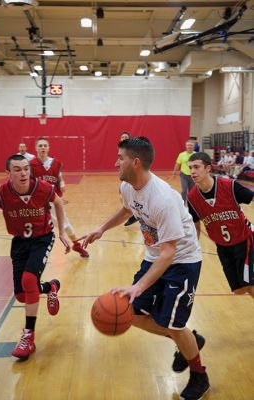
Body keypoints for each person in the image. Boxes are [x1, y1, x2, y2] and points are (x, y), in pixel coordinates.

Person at [80, 137, 210, 400]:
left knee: (172, 325)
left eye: (120, 158)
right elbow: (127, 209)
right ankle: (188, 340)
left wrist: (139, 286)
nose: (115, 162)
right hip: (154, 257)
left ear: (135, 162)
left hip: (182, 263)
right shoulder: (128, 186)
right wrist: (102, 228)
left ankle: (199, 374)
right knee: (132, 312)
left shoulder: (163, 199)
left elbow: (169, 252)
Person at [0, 154, 70, 360]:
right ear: (8, 174)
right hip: (20, 242)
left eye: (26, 168)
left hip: (42, 238)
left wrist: (61, 233)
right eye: (17, 169)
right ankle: (51, 287)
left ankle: (28, 336)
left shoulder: (41, 187)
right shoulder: (2, 193)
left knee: (28, 279)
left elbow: (59, 204)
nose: (23, 173)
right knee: (22, 295)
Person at [187, 152, 254, 298]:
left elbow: (251, 197)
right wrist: (192, 249)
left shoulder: (229, 186)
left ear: (208, 169)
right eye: (190, 167)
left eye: (196, 167)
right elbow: (196, 227)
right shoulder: (192, 197)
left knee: (250, 285)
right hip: (223, 247)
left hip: (245, 240)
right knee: (239, 290)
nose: (192, 171)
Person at [30, 137, 89, 258]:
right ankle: (32, 250)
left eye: (45, 145)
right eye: (40, 145)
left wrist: (62, 184)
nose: (42, 148)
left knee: (66, 225)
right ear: (36, 148)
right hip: (36, 203)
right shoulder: (30, 165)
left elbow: (59, 177)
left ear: (48, 148)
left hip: (53, 200)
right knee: (34, 227)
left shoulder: (55, 163)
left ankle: (76, 244)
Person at [119, 132, 137, 227]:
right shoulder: (121, 149)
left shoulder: (131, 149)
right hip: (123, 175)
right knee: (122, 196)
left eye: (126, 137)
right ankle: (132, 214)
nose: (124, 138)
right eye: (122, 137)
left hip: (129, 175)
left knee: (126, 196)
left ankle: (133, 215)